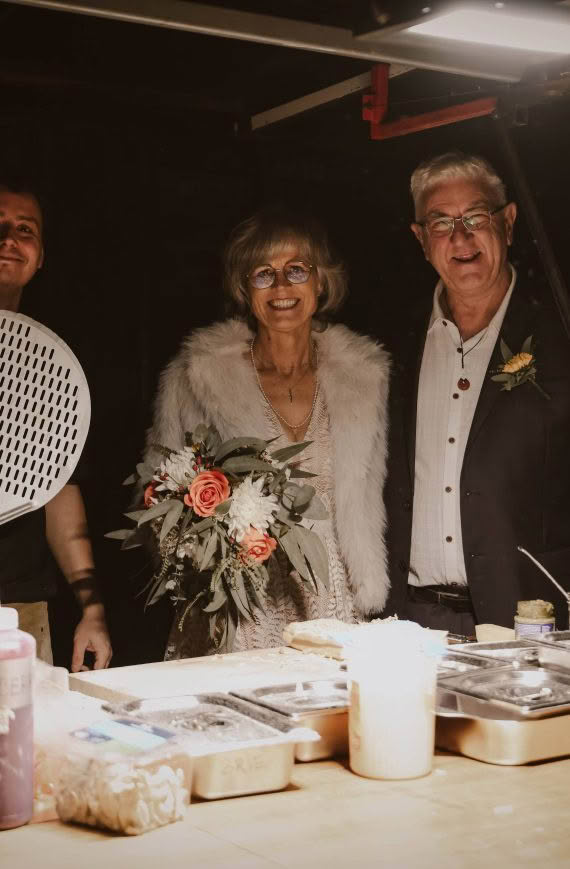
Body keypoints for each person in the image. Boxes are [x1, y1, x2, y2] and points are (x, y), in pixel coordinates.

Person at [145, 207, 391, 658]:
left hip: (332, 606)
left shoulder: (366, 378)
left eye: (297, 270)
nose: (281, 287)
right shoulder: (195, 377)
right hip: (239, 609)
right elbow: (158, 505)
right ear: (244, 289)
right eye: (263, 274)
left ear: (321, 282)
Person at [384, 151, 570, 635]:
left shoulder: (559, 332)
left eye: (475, 217)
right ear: (421, 239)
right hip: (413, 622)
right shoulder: (393, 344)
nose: (460, 237)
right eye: (441, 223)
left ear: (508, 223)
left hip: (529, 618)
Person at [0, 181, 112, 671]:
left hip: (19, 611)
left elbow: (57, 488)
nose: (9, 239)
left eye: (25, 230)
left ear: (40, 256)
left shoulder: (46, 367)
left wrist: (92, 608)